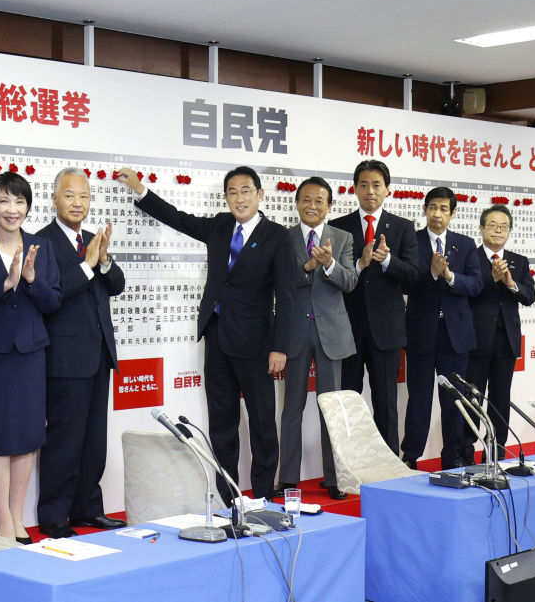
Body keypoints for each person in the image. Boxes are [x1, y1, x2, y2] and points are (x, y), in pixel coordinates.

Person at [118, 165, 295, 503]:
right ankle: (229, 498)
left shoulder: (277, 237)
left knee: (262, 425)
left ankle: (262, 497)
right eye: (232, 192)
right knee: (222, 424)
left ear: (260, 195)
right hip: (217, 338)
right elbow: (178, 218)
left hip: (257, 345)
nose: (239, 198)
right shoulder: (220, 226)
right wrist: (141, 190)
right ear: (225, 197)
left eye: (246, 191)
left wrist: (280, 347)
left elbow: (287, 296)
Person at [0, 172, 62, 543]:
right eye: (4, 201)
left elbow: (53, 302)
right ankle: (3, 521)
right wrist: (4, 285)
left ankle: (19, 518)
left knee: (26, 439)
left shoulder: (41, 245)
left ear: (28, 207)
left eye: (19, 201)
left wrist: (32, 280)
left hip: (30, 355)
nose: (12, 209)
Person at [36, 168, 127, 539]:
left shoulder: (93, 239)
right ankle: (54, 515)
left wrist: (103, 260)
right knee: (64, 441)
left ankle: (88, 508)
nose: (78, 203)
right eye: (70, 195)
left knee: (94, 441)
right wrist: (88, 266)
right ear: (54, 199)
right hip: (64, 359)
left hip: (99, 355)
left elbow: (117, 285)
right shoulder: (41, 242)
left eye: (84, 196)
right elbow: (52, 293)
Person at [329, 160, 418, 455]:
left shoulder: (403, 228)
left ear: (387, 190)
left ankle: (389, 466)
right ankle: (349, 465)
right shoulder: (338, 227)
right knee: (348, 404)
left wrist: (388, 260)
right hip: (348, 330)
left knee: (386, 404)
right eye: (364, 185)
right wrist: (359, 264)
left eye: (376, 185)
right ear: (355, 189)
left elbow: (413, 275)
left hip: (387, 332)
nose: (370, 191)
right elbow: (335, 276)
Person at [277, 177, 356, 501]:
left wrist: (329, 265)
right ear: (297, 203)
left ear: (329, 206)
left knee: (332, 409)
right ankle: (288, 478)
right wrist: (309, 265)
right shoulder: (284, 238)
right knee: (291, 408)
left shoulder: (343, 238)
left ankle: (334, 478)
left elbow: (350, 281)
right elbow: (278, 282)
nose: (312, 206)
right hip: (294, 331)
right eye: (306, 200)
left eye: (319, 201)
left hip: (331, 333)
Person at [401, 187, 482, 469]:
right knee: (419, 398)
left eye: (443, 209)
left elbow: (476, 284)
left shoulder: (465, 244)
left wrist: (448, 276)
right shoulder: (411, 241)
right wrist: (432, 273)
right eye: (432, 207)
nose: (437, 214)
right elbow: (405, 283)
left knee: (454, 401)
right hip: (421, 333)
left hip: (455, 336)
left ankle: (453, 457)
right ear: (424, 210)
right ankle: (410, 456)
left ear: (453, 213)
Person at [466, 205, 535, 461]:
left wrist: (511, 283)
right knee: (472, 398)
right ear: (481, 228)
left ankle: (495, 452)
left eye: (503, 226)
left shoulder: (519, 261)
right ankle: (465, 451)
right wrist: (491, 279)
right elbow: (465, 292)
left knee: (500, 399)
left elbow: (529, 296)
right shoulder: (470, 257)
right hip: (475, 340)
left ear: (509, 231)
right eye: (493, 225)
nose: (498, 230)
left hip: (506, 341)